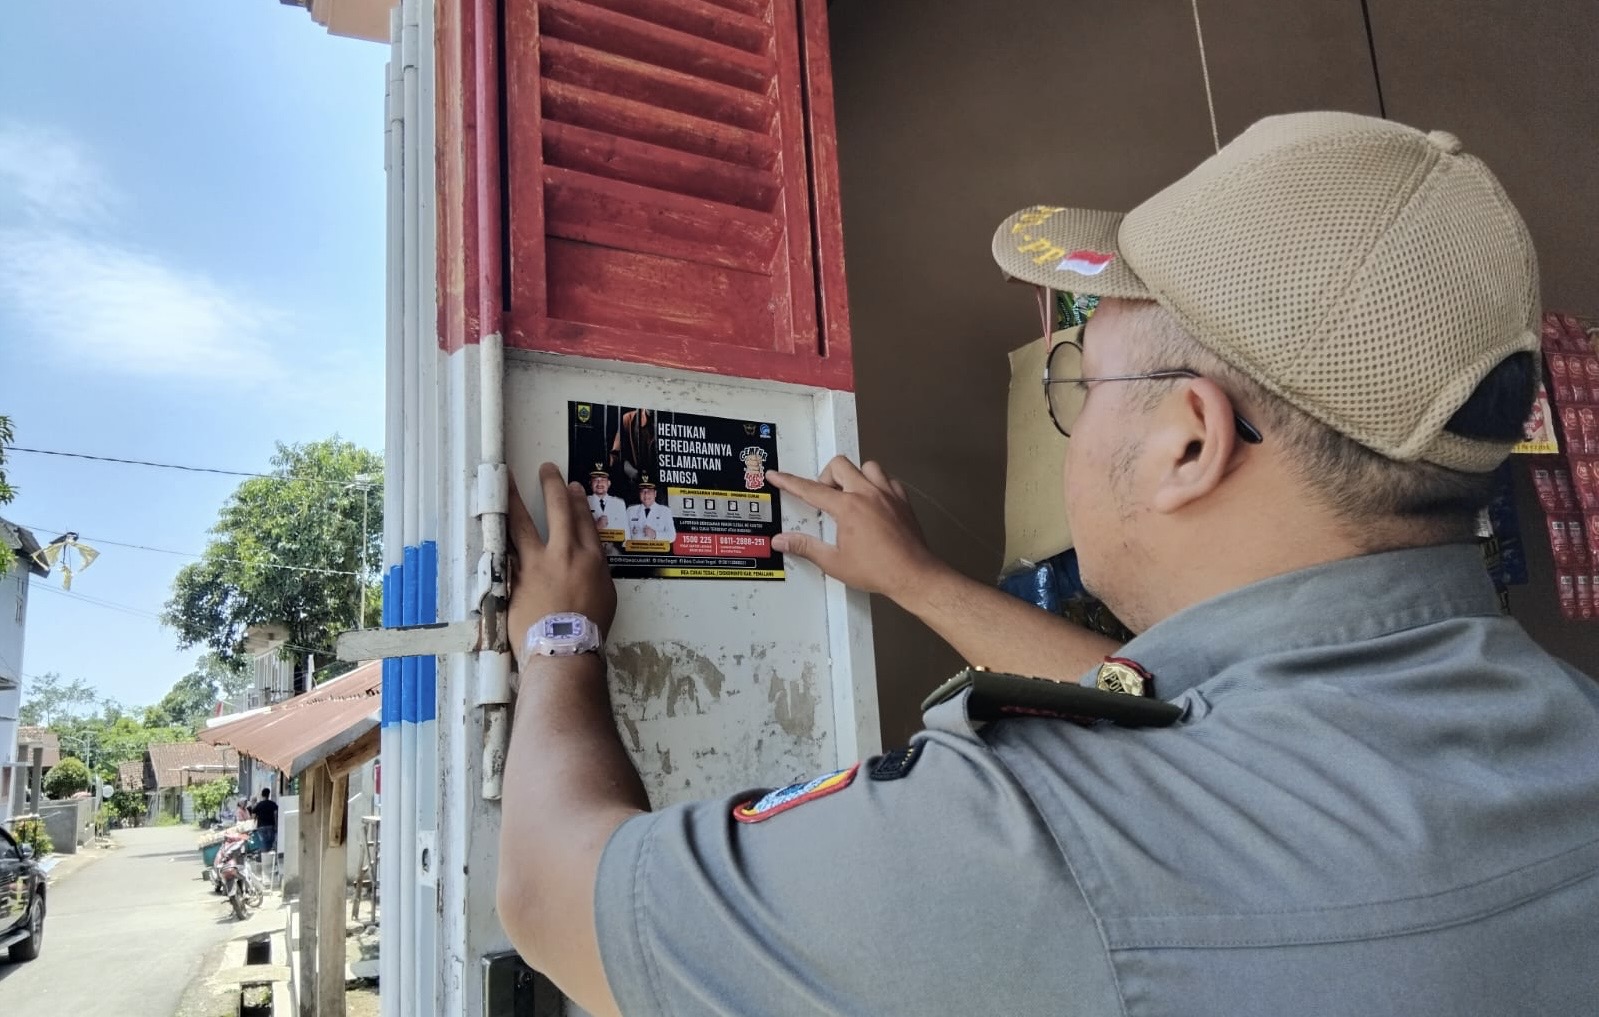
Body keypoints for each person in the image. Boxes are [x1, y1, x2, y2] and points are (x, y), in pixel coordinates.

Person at [493, 112, 1599, 1016]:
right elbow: (1191, 718)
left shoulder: (1027, 848)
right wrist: (921, 582)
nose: (1067, 401)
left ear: (1188, 442)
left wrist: (558, 639)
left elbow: (551, 896)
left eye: (1079, 372)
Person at [625, 476, 675, 544]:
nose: (646, 495)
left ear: (655, 493)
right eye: (643, 491)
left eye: (649, 491)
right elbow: (625, 535)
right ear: (639, 494)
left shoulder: (665, 511)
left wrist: (655, 534)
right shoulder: (630, 511)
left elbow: (672, 536)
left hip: (656, 552)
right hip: (636, 552)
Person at [585, 464, 627, 537]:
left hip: (614, 547)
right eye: (595, 480)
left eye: (603, 480)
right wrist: (596, 527)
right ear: (590, 483)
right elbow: (577, 533)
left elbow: (626, 532)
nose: (599, 483)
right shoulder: (583, 502)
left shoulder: (619, 503)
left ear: (609, 483)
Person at [248, 787, 278, 854]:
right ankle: (269, 858)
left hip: (261, 826)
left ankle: (265, 857)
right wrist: (276, 825)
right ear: (268, 794)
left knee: (263, 842)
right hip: (270, 825)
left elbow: (253, 816)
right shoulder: (272, 804)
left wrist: (253, 824)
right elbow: (275, 814)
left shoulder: (259, 805)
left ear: (262, 795)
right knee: (270, 842)